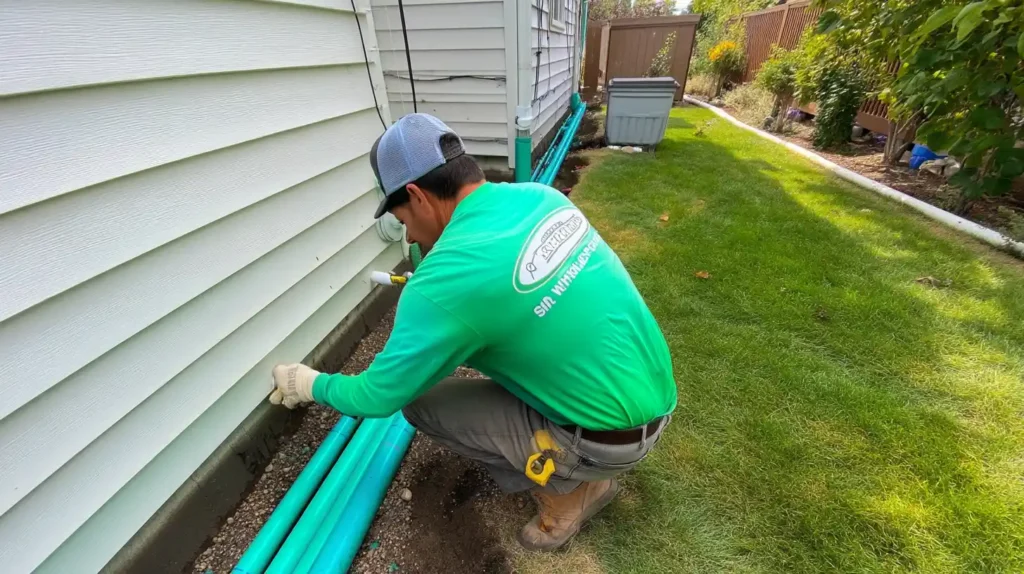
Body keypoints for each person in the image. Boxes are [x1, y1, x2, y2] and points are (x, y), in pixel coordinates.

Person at [270, 113, 676, 551]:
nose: (406, 231)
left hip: (604, 441)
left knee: (420, 404)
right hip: (657, 400)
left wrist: (309, 382)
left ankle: (572, 491)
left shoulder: (443, 289)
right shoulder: (540, 198)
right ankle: (585, 464)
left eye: (401, 217)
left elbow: (377, 396)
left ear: (416, 196)